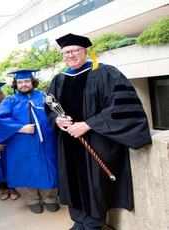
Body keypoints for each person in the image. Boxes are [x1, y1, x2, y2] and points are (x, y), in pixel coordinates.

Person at [46, 33, 152, 230]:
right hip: (69, 143)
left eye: (74, 51)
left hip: (97, 141)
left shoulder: (106, 74)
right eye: (65, 53)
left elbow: (120, 107)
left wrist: (88, 124)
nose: (69, 55)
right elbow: (50, 109)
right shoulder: (59, 80)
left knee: (95, 185)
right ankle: (79, 221)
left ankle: (93, 225)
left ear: (85, 51)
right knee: (73, 182)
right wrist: (57, 120)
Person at [0, 70, 59, 214]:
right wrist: (20, 128)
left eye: (26, 81)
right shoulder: (10, 101)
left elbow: (57, 113)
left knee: (49, 166)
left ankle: (50, 197)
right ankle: (32, 199)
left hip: (46, 140)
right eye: (20, 82)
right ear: (15, 84)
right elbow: (1, 119)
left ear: (32, 82)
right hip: (21, 142)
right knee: (24, 168)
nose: (23, 85)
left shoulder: (46, 97)